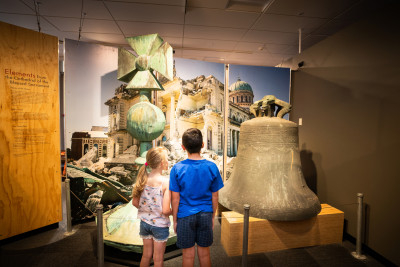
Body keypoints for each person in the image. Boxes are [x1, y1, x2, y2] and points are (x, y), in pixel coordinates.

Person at [169, 128, 224, 267]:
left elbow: (174, 199)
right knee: (205, 254)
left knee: (187, 256)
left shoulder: (176, 168)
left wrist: (175, 220)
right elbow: (215, 196)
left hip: (185, 216)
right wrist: (212, 216)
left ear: (183, 147)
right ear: (203, 145)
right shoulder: (212, 167)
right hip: (205, 214)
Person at [131, 147, 172, 267]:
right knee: (158, 259)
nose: (168, 162)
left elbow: (135, 203)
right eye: (167, 159)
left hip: (144, 223)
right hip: (159, 226)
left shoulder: (143, 178)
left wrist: (147, 209)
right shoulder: (165, 182)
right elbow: (165, 210)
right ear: (161, 163)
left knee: (146, 255)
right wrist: (176, 211)